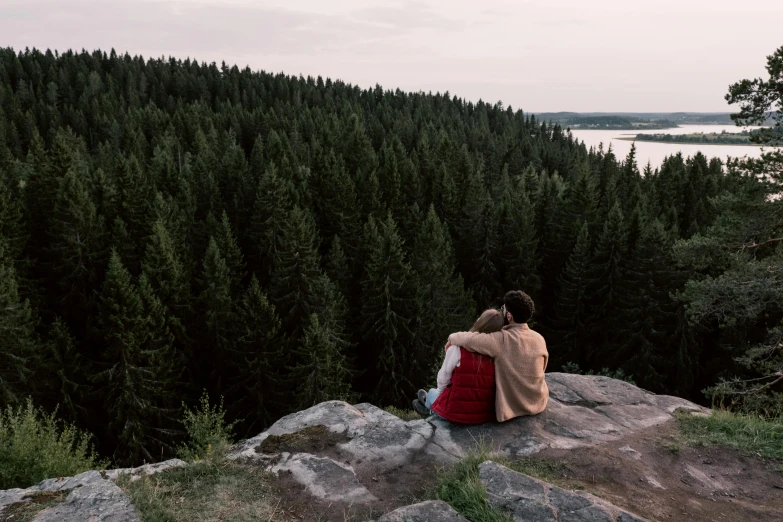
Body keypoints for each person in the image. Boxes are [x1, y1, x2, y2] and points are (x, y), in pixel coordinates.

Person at [447, 290, 548, 422]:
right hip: (538, 402)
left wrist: (451, 338)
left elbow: (468, 339)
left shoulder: (501, 340)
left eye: (503, 309)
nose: (501, 312)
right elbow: (543, 368)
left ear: (509, 316)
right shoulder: (539, 338)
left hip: (515, 407)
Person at [412, 309, 503, 424]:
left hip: (455, 413)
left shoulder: (458, 348)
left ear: (480, 322)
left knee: (432, 392)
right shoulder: (498, 354)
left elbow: (442, 380)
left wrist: (440, 396)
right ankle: (428, 406)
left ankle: (429, 408)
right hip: (484, 415)